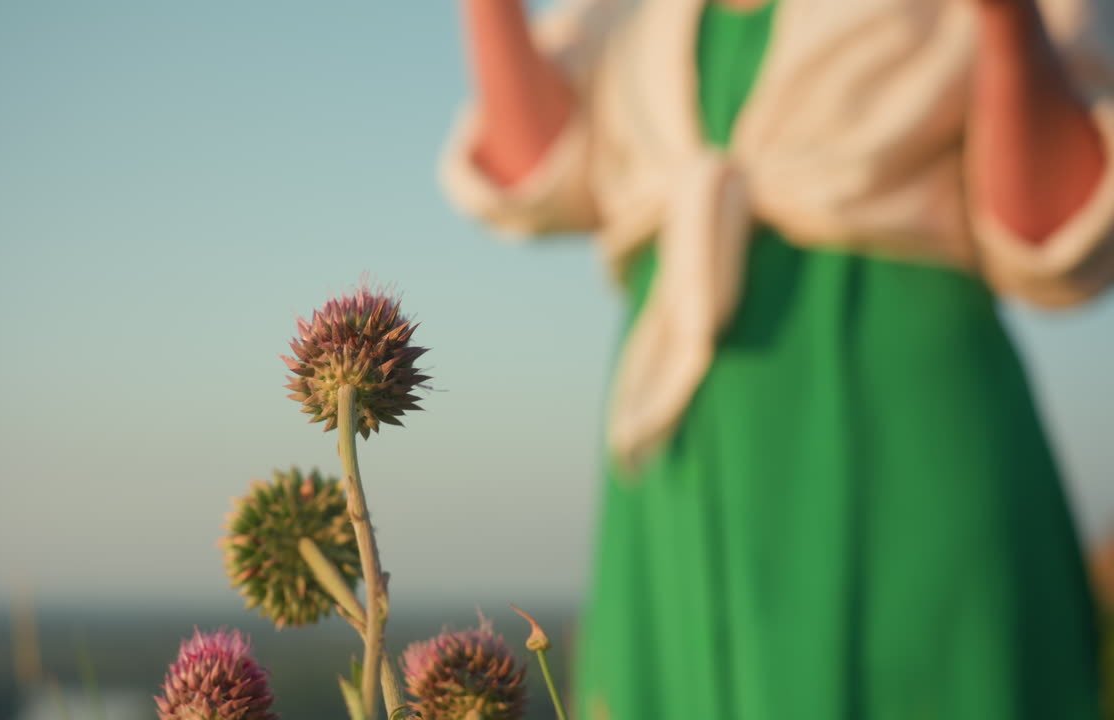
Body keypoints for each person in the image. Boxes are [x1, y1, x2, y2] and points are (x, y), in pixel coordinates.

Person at [442, 0, 1114, 718]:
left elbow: (1059, 227)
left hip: (907, 434)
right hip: (675, 447)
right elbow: (533, 173)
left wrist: (1008, 22)